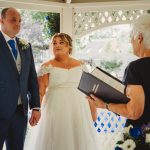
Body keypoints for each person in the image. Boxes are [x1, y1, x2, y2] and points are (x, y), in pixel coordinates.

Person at [29, 33, 99, 150]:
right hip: (55, 109)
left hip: (79, 109)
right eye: (54, 43)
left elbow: (89, 91)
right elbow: (40, 92)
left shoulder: (81, 65)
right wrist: (36, 110)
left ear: (69, 47)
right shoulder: (46, 66)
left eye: (61, 42)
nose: (57, 45)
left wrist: (93, 110)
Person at [87, 14, 150, 128]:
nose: (131, 41)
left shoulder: (136, 68)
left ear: (140, 38)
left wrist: (105, 105)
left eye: (132, 36)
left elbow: (134, 112)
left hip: (142, 136)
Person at [0, 7, 41, 150]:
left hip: (20, 113)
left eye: (19, 21)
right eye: (13, 20)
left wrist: (35, 107)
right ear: (1, 20)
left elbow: (31, 78)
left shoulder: (25, 46)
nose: (17, 24)